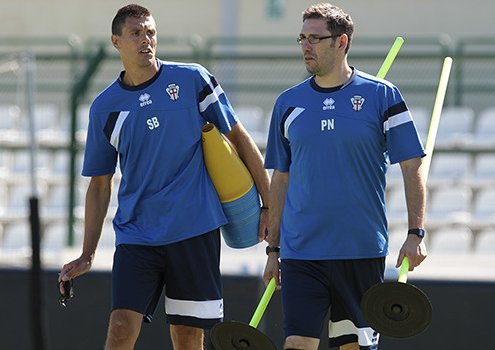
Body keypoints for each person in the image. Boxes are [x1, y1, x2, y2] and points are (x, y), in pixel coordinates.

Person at [58, 4, 270, 350]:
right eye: (136, 33)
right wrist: (87, 253)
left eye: (151, 32)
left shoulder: (192, 80)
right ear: (116, 42)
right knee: (121, 327)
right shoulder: (104, 107)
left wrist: (268, 204)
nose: (146, 40)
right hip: (136, 235)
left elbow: (238, 137)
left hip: (195, 230)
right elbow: (99, 184)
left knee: (187, 338)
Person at [262, 3, 427, 350]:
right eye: (302, 38)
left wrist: (416, 233)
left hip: (360, 250)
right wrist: (273, 250)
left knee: (353, 346)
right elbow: (281, 179)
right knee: (296, 344)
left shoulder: (382, 95)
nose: (306, 46)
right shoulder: (287, 103)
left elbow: (411, 167)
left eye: (316, 39)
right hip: (301, 252)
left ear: (342, 42)